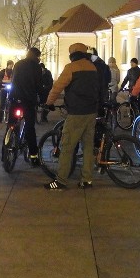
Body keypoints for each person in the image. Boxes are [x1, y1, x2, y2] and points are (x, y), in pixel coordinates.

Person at [44, 43, 101, 189]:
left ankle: (61, 180)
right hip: (91, 111)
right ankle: (87, 179)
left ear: (72, 54)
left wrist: (49, 102)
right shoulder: (92, 67)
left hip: (76, 112)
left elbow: (58, 87)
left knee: (67, 146)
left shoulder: (71, 68)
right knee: (88, 146)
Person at [8, 47, 43, 164]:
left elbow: (13, 79)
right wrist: (43, 100)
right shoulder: (36, 67)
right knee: (29, 127)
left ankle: (5, 151)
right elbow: (38, 85)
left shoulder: (18, 64)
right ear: (37, 56)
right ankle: (34, 156)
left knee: (11, 124)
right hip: (28, 101)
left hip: (14, 98)